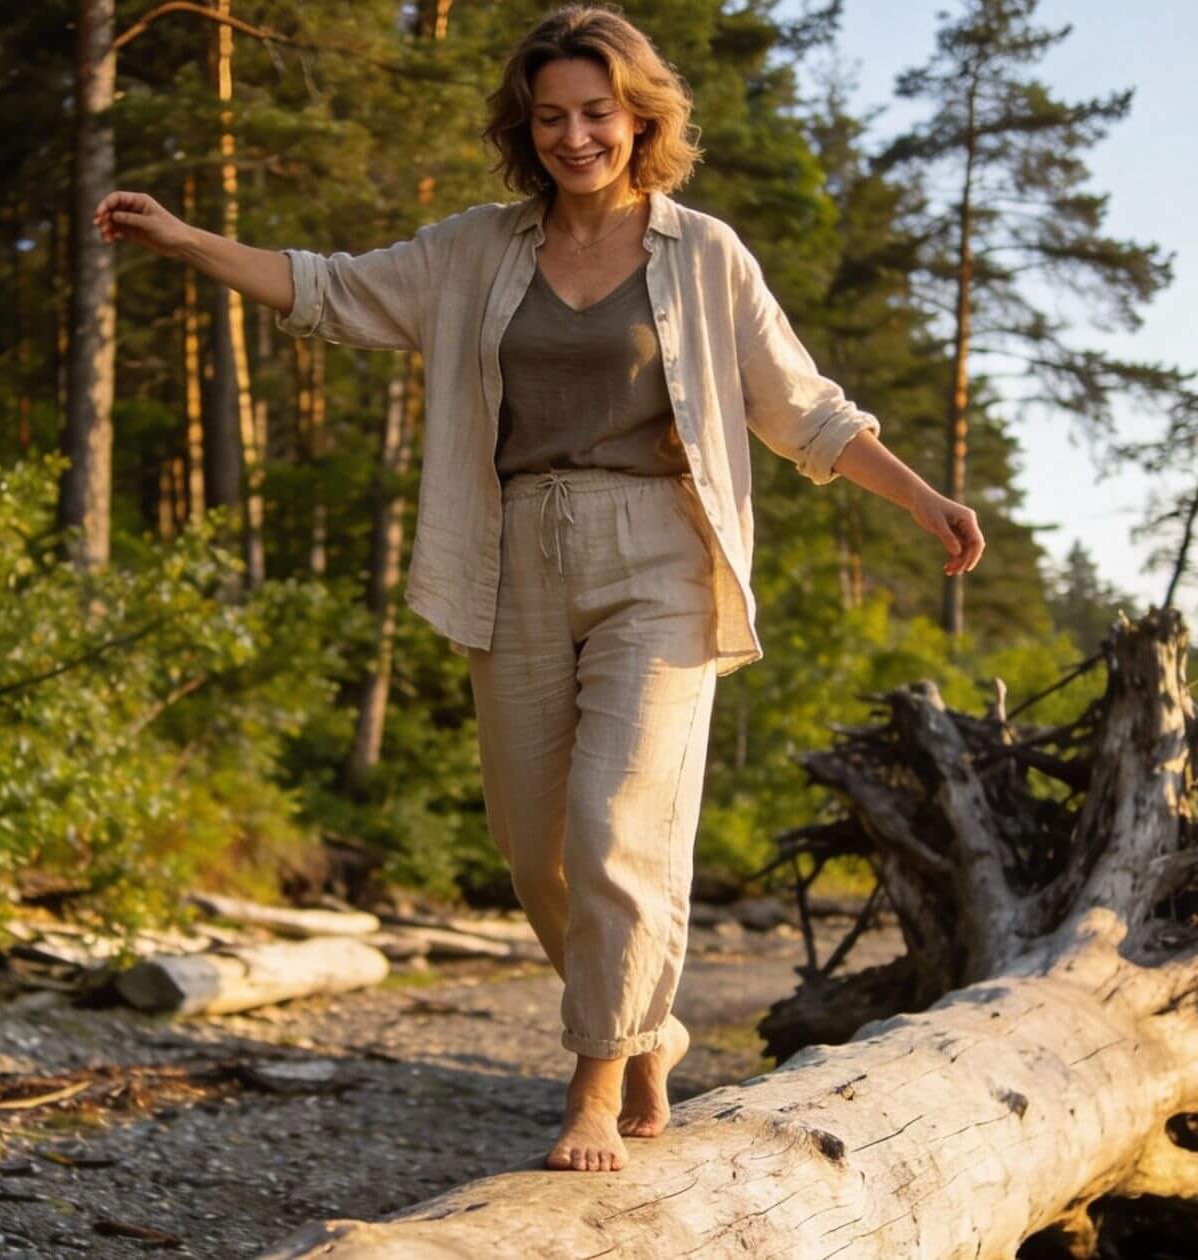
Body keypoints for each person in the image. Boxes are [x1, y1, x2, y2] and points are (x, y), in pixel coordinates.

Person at [92, 4, 982, 1173]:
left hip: (660, 551)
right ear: (527, 126)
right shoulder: (476, 249)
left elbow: (799, 406)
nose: (575, 137)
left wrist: (919, 496)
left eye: (597, 113)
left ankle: (595, 1086)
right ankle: (640, 1021)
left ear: (638, 117)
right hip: (507, 552)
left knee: (618, 822)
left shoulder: (702, 254)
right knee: (532, 850)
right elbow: (331, 289)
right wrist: (188, 241)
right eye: (552, 116)